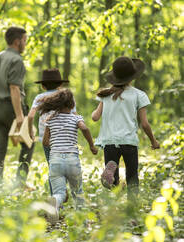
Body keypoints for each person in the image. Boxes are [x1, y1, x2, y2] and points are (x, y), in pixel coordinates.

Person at [91, 56, 160, 199]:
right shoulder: (138, 95)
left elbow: (95, 117)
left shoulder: (107, 94)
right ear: (132, 76)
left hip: (109, 141)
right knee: (132, 176)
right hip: (129, 142)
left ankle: (114, 206)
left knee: (113, 179)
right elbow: (145, 124)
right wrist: (153, 141)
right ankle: (132, 210)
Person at [38, 88, 98, 224]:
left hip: (55, 160)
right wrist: (91, 145)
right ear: (72, 105)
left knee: (59, 192)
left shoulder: (50, 120)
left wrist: (54, 145)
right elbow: (85, 128)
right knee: (78, 193)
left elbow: (45, 142)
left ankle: (56, 203)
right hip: (72, 160)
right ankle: (82, 221)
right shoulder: (76, 118)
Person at [0, 26, 34, 186]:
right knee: (29, 144)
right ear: (17, 41)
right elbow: (14, 88)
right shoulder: (17, 60)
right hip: (10, 109)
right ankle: (19, 184)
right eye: (24, 40)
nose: (25, 44)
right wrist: (20, 116)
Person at [27, 68, 74, 195]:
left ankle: (56, 199)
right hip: (64, 138)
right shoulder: (66, 96)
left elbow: (31, 116)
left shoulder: (39, 97)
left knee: (53, 168)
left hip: (46, 140)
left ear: (42, 85)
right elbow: (74, 116)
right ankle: (65, 192)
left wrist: (31, 131)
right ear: (60, 84)